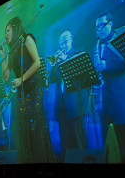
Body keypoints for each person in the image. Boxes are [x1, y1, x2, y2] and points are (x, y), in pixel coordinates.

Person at [0, 16, 54, 163]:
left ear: (16, 29)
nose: (6, 34)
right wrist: (4, 57)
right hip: (21, 94)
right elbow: (5, 77)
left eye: (8, 30)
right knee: (24, 130)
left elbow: (37, 63)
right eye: (5, 32)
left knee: (35, 127)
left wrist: (21, 79)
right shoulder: (11, 51)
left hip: (33, 90)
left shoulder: (27, 39)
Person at [93, 12, 125, 137]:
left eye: (102, 25)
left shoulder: (121, 36)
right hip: (105, 104)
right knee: (110, 146)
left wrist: (106, 65)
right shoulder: (96, 46)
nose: (99, 29)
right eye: (97, 27)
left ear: (110, 23)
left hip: (122, 102)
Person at [48, 30, 88, 162]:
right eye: (61, 42)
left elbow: (80, 75)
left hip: (75, 105)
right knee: (66, 143)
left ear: (71, 40)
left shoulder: (78, 52)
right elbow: (52, 80)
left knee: (78, 141)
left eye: (65, 40)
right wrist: (53, 66)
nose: (63, 44)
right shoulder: (58, 60)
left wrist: (65, 60)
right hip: (61, 106)